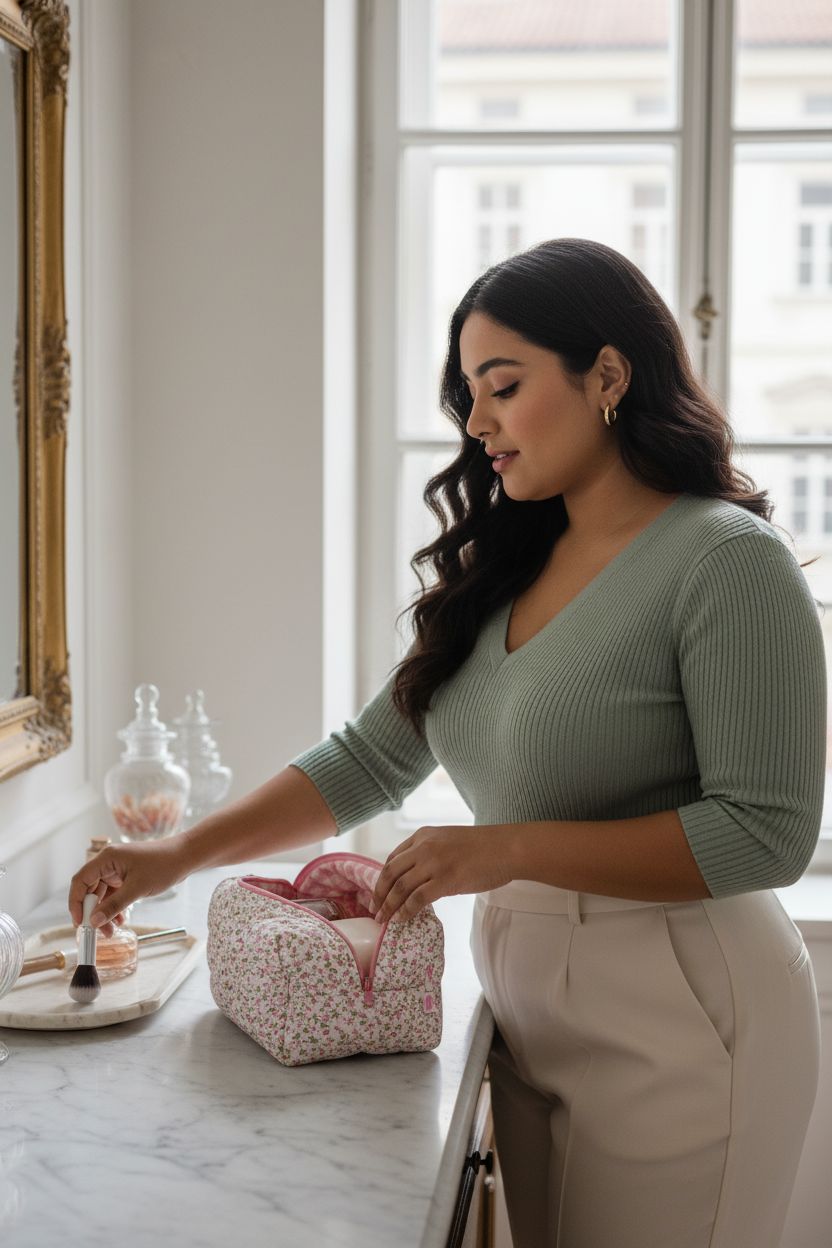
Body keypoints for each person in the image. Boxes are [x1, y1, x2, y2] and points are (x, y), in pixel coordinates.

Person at [69, 237, 826, 1248]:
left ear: (606, 375)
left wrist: (501, 848)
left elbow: (765, 833)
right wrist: (174, 853)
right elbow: (373, 757)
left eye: (502, 387)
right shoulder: (510, 563)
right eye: (467, 394)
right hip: (527, 1016)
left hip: (684, 1018)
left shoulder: (725, 561)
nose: (476, 424)